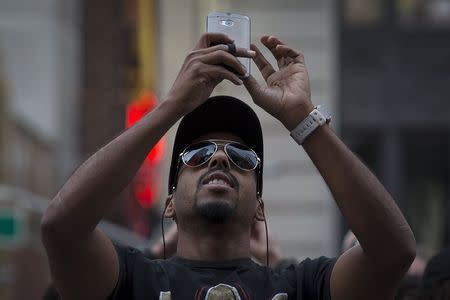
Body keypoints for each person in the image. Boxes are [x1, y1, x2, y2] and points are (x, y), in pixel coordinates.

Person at [41, 32, 416, 299]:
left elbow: (393, 250)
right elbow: (62, 227)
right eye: (198, 154)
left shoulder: (302, 287)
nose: (220, 157)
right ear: (169, 202)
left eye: (241, 158)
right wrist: (172, 107)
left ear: (260, 207)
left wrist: (303, 119)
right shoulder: (132, 282)